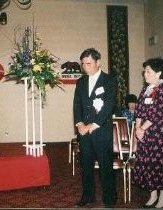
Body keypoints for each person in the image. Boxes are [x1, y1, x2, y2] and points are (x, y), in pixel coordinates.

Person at [73, 48, 117, 208]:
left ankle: (109, 199)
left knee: (106, 166)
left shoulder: (109, 80)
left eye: (89, 63)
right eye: (83, 64)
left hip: (101, 130)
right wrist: (79, 124)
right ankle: (88, 196)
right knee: (85, 166)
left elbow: (109, 105)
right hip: (84, 131)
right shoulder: (81, 81)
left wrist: (95, 124)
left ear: (98, 63)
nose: (85, 67)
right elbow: (77, 104)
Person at [132, 57, 163, 208]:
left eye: (148, 71)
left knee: (159, 165)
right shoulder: (145, 90)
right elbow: (138, 111)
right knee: (147, 164)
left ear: (158, 73)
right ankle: (152, 194)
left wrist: (142, 128)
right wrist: (137, 129)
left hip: (159, 134)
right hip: (144, 135)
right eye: (144, 71)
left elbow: (158, 113)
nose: (145, 74)